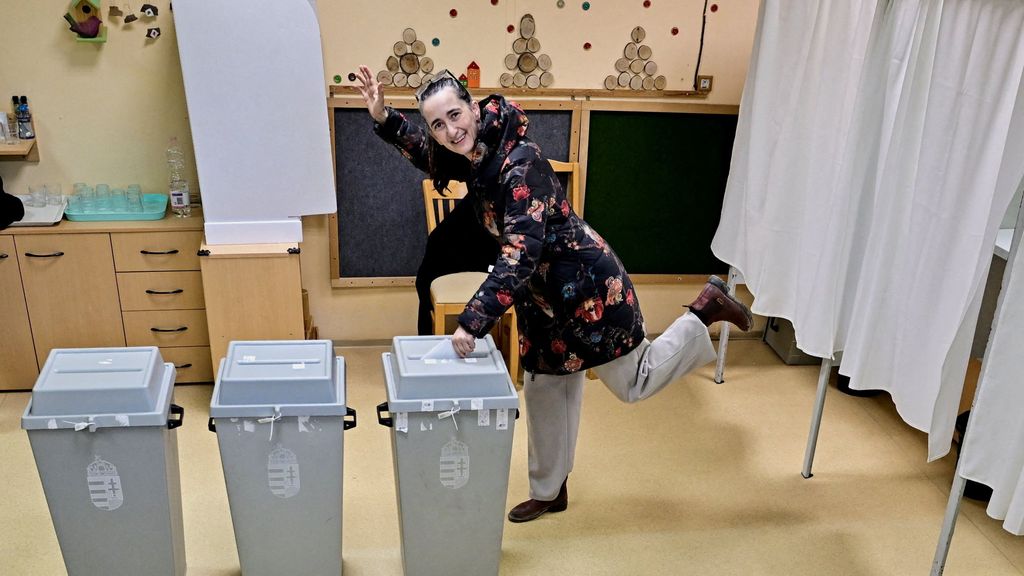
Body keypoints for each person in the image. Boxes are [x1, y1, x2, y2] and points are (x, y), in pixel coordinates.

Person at [356, 65, 752, 522]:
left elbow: (520, 254)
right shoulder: (479, 152)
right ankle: (550, 491)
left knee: (634, 382)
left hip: (588, 290)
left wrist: (472, 322)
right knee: (545, 388)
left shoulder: (518, 162)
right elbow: (432, 155)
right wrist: (384, 116)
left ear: (474, 107)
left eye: (455, 115)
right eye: (438, 124)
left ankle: (703, 311)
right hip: (544, 299)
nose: (450, 130)